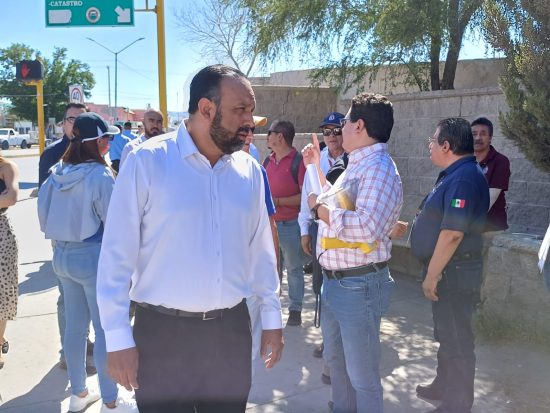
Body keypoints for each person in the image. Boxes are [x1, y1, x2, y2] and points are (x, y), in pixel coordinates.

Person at [96, 64, 284, 413]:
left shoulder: (250, 172)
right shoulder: (147, 161)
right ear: (206, 108)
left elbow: (261, 254)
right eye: (240, 109)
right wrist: (118, 338)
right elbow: (116, 257)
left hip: (230, 334)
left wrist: (272, 319)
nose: (250, 120)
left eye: (251, 110)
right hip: (162, 337)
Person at [303, 93, 403, 413]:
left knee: (362, 376)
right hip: (338, 283)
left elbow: (366, 228)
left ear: (359, 126)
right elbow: (336, 203)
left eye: (344, 122)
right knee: (338, 363)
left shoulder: (379, 169)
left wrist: (319, 211)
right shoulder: (356, 165)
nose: (340, 128)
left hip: (358, 286)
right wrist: (316, 178)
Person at [38, 112, 136, 412]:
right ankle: (110, 400)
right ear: (94, 141)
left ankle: (79, 393)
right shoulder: (100, 175)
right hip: (93, 257)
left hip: (61, 255)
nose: (109, 142)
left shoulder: (57, 171)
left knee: (75, 328)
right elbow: (115, 222)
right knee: (106, 329)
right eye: (105, 137)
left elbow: (43, 215)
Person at [411, 118, 489, 413]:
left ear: (446, 145)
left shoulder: (463, 178)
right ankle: (443, 385)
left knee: (457, 338)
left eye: (432, 141)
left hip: (454, 273)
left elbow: (453, 233)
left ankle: (458, 403)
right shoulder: (455, 174)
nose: (430, 146)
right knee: (446, 333)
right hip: (449, 271)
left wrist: (432, 275)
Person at [37, 102, 96, 373]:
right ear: (63, 123)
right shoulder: (52, 154)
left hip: (91, 239)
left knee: (90, 299)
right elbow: (43, 199)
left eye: (82, 118)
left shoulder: (93, 150)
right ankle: (68, 351)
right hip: (64, 241)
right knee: (67, 299)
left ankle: (84, 342)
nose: (77, 123)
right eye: (72, 119)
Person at [264, 119, 307, 326]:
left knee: (293, 268)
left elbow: (306, 197)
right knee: (272, 268)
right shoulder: (267, 160)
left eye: (270, 132)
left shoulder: (299, 162)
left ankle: (295, 309)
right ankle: (273, 308)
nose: (267, 136)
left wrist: (278, 202)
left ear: (280, 137)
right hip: (270, 225)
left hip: (291, 224)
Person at [472, 117, 510, 232]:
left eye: (483, 134)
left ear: (490, 138)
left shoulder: (500, 161)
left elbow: (488, 201)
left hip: (491, 230)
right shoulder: (464, 161)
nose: (478, 138)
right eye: (474, 134)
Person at [0, 156, 19, 369]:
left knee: (3, 292)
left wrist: (4, 198)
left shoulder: (6, 167)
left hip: (1, 237)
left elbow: (11, 197)